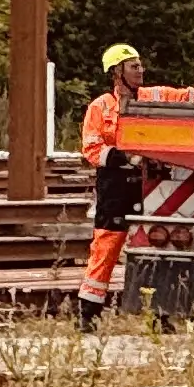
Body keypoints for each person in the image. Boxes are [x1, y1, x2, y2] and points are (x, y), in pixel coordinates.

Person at [75, 42, 146, 328]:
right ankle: (88, 314)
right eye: (134, 66)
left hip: (146, 183)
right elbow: (91, 149)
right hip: (114, 185)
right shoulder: (100, 106)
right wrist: (124, 157)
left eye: (141, 65)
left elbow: (183, 96)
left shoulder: (151, 100)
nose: (141, 71)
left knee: (152, 245)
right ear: (117, 72)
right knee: (106, 246)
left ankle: (161, 314)